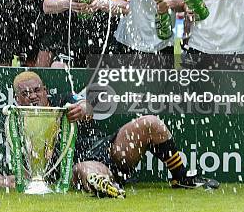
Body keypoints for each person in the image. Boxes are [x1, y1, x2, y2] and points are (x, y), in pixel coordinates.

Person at [12, 71, 220, 196]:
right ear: (17, 99)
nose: (32, 97)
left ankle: (181, 177)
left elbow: (87, 106)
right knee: (88, 170)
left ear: (45, 90)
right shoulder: (17, 121)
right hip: (75, 165)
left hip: (109, 149)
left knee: (150, 122)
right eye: (25, 93)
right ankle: (105, 187)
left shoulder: (65, 99)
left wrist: (84, 109)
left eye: (36, 90)